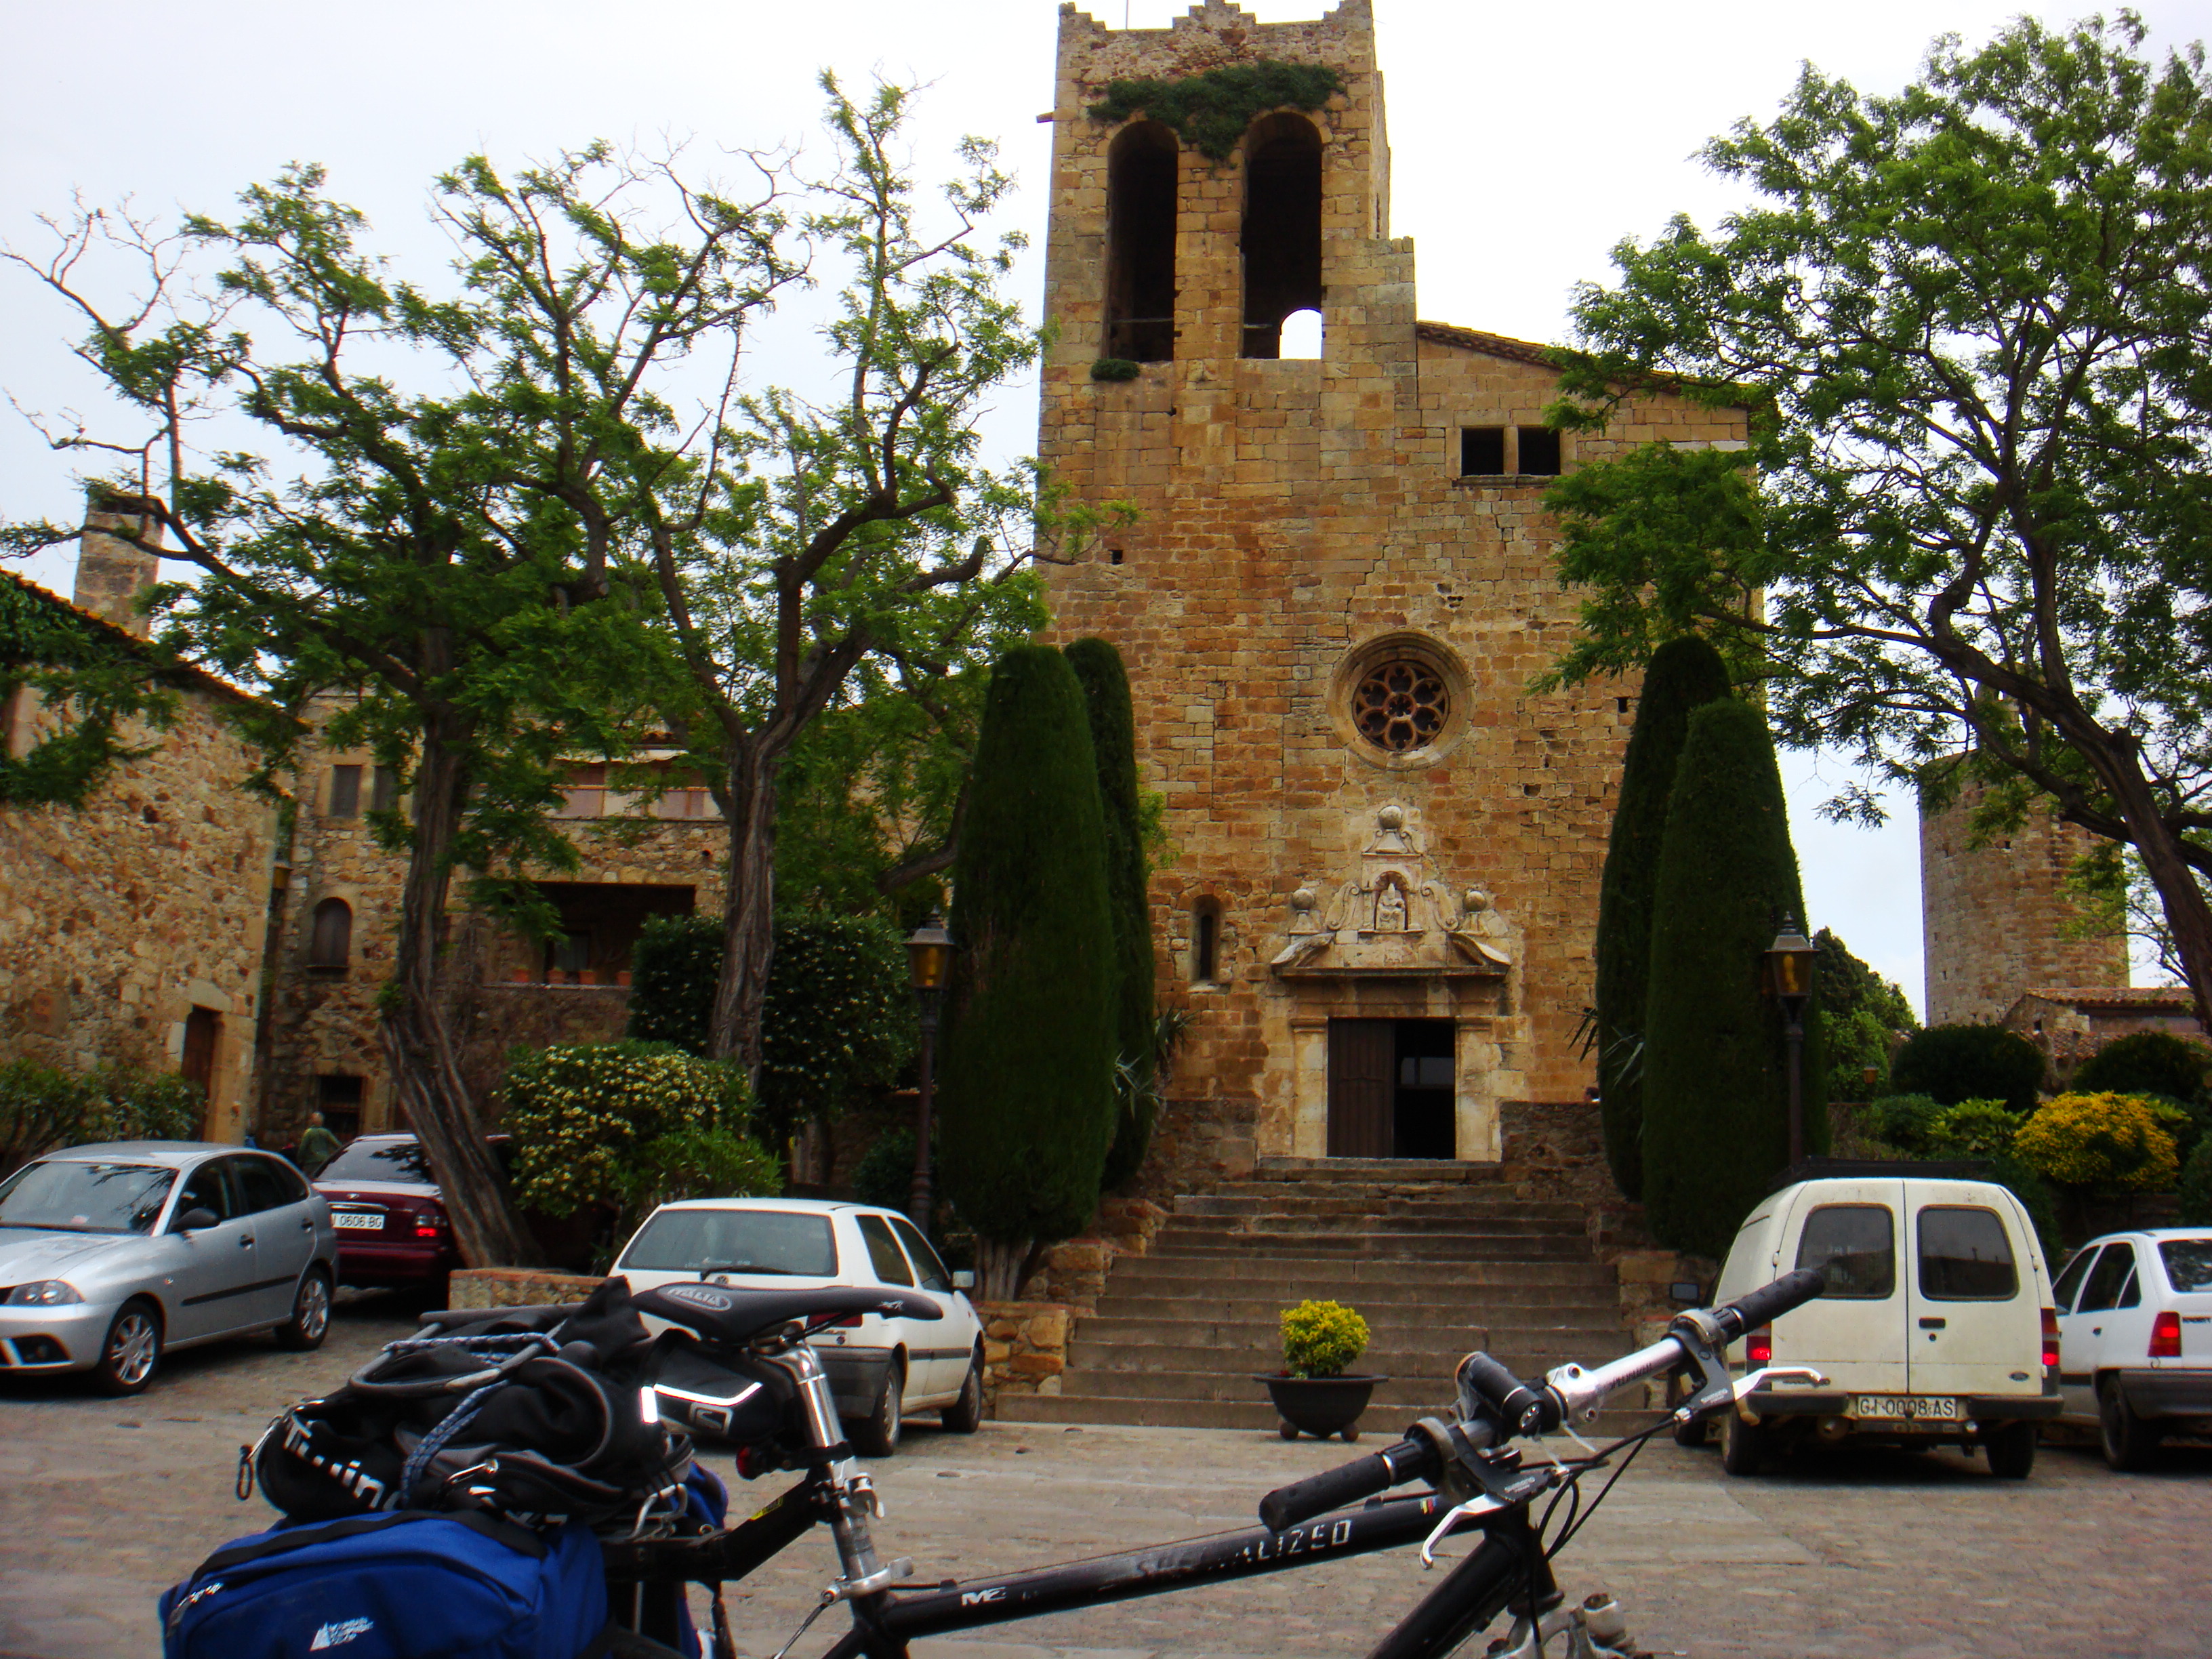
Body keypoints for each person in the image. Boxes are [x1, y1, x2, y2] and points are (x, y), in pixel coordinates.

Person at [295, 1111, 342, 1176]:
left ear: (312, 1121)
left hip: (311, 1162)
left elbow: (303, 1148)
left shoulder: (309, 1133)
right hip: (324, 1160)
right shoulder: (326, 1132)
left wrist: (300, 1159)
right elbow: (338, 1145)